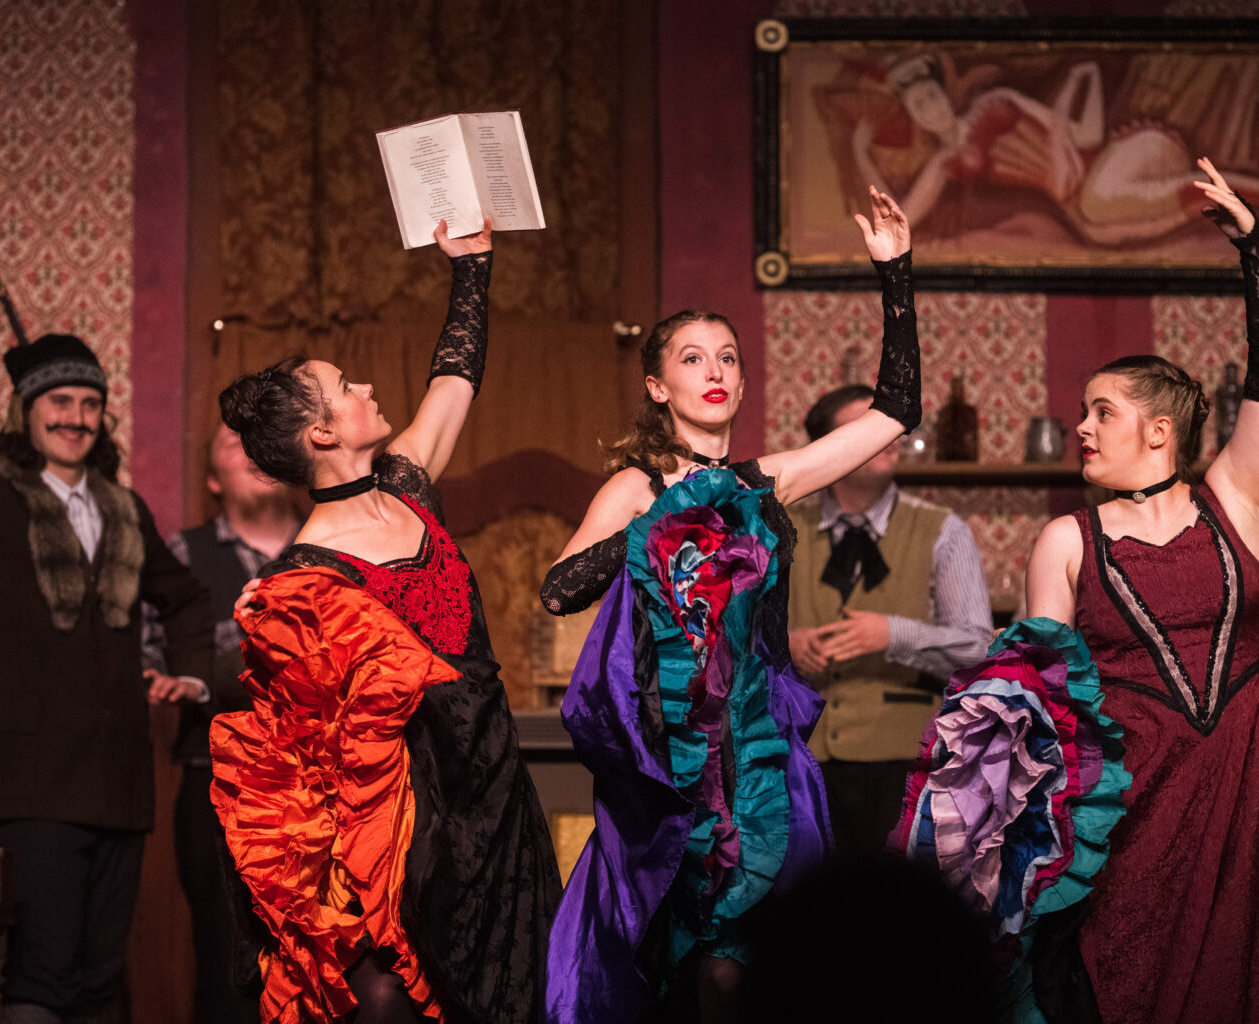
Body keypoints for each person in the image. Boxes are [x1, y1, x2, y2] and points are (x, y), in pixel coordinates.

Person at [539, 186, 919, 1024]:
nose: (713, 372)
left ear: (744, 384)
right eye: (692, 359)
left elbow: (896, 411)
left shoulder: (767, 480)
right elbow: (559, 589)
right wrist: (663, 517)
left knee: (746, 966)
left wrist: (895, 271)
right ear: (657, 386)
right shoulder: (634, 488)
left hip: (760, 747)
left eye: (727, 359)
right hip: (670, 757)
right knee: (676, 969)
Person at [1018, 158, 1259, 1022]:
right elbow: (1037, 704)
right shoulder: (1067, 539)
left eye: (1102, 411)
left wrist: (1256, 249)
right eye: (1083, 412)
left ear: (1160, 430)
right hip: (1125, 819)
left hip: (1239, 812)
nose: (1082, 427)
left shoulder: (1234, 503)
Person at [213, 218, 560, 1024]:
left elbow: (455, 377)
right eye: (347, 386)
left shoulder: (409, 484)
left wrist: (472, 268)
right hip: (411, 813)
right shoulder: (304, 577)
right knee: (401, 994)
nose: (367, 387)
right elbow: (301, 740)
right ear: (323, 432)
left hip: (494, 784)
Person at [0, 333, 214, 1024]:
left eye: (89, 403)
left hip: (117, 780)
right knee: (44, 971)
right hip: (30, 779)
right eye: (59, 401)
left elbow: (188, 599)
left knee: (98, 977)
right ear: (26, 410)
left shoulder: (125, 509)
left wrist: (191, 677)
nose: (75, 417)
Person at [850, 53, 1259, 248]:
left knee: (1129, 199)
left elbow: (1073, 111)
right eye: (916, 105)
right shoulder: (945, 163)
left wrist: (1061, 137)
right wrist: (860, 151)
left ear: (943, 92)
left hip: (1118, 160)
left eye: (930, 96)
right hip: (1089, 207)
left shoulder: (995, 102)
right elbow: (903, 216)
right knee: (1105, 219)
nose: (928, 109)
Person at [786, 384, 993, 855]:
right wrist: (788, 645)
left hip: (909, 765)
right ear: (830, 448)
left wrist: (893, 635)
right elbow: (735, 638)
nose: (889, 439)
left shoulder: (944, 531)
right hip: (799, 758)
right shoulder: (783, 530)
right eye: (869, 428)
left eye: (891, 429)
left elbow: (980, 650)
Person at [143, 423, 301, 1024]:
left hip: (322, 778)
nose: (253, 451)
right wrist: (179, 678)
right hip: (216, 782)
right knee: (226, 960)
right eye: (235, 446)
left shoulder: (330, 541)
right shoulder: (183, 554)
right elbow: (153, 650)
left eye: (261, 441)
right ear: (213, 480)